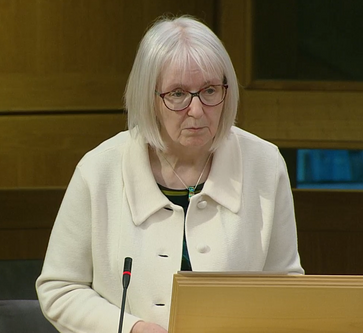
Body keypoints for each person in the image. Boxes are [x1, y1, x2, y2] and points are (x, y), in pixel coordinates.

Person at [36, 15, 303, 333]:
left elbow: (286, 289)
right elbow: (61, 290)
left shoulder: (265, 163)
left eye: (209, 90)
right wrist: (132, 329)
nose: (196, 110)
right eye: (177, 94)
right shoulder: (99, 170)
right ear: (149, 98)